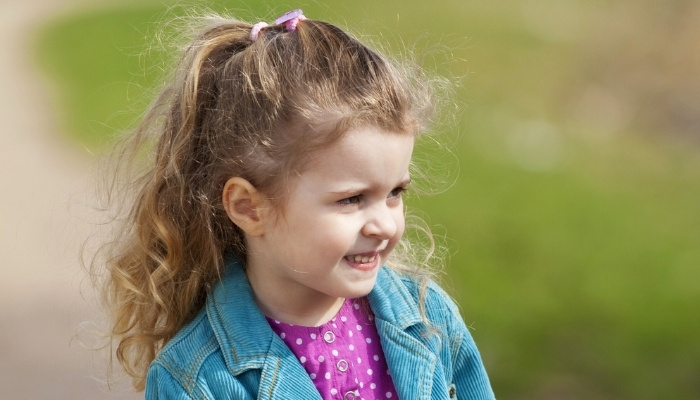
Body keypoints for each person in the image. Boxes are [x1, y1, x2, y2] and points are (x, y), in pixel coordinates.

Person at [97, 8, 495, 399]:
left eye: (394, 193)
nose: (385, 226)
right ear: (250, 208)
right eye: (352, 199)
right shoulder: (198, 379)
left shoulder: (429, 318)